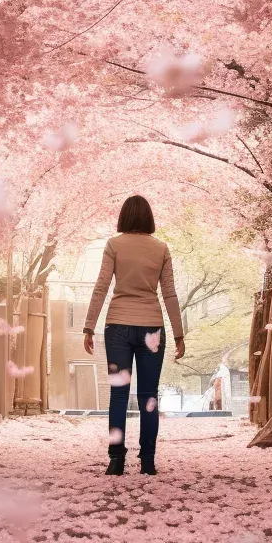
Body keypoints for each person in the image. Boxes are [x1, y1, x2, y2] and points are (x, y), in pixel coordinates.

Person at [83, 195, 185, 476]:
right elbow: (170, 293)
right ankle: (148, 461)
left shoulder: (114, 245)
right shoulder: (161, 248)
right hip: (152, 327)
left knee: (118, 396)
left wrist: (89, 326)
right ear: (149, 218)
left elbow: (101, 286)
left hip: (117, 326)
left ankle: (116, 460)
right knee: (149, 397)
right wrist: (178, 334)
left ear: (124, 217)